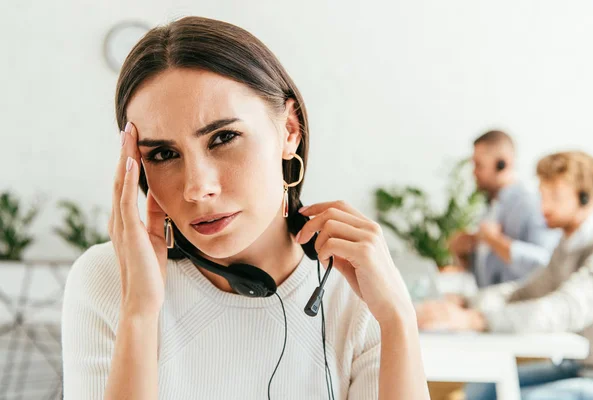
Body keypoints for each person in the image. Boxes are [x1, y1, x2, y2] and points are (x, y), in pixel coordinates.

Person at [60, 16, 429, 399]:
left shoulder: (357, 289)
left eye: (223, 137)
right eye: (164, 153)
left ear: (289, 131)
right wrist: (139, 313)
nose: (196, 188)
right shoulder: (107, 281)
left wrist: (398, 319)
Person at [417, 150, 593, 399]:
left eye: (554, 197)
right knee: (482, 389)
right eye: (543, 195)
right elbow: (525, 292)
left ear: (585, 198)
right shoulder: (566, 244)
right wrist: (466, 303)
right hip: (579, 366)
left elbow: (562, 310)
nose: (543, 206)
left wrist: (477, 320)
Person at [448, 130, 559, 287]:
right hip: (489, 301)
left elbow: (545, 262)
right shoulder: (491, 206)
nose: (474, 172)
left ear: (502, 164)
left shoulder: (530, 205)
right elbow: (488, 274)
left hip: (518, 305)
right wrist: (464, 253)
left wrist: (495, 241)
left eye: (479, 165)